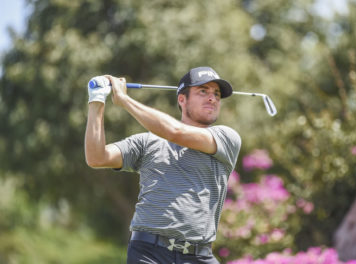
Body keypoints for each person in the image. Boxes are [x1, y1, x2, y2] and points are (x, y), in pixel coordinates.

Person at [84, 66, 241, 264]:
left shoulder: (226, 138)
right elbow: (97, 157)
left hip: (198, 256)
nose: (212, 98)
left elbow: (175, 132)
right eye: (203, 91)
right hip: (149, 253)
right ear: (182, 99)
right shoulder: (146, 142)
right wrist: (96, 101)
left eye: (217, 94)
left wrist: (124, 100)